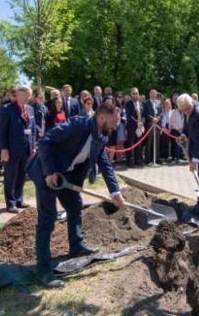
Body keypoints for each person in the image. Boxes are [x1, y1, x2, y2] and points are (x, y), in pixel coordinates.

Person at [27, 103, 126, 288]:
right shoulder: (77, 125)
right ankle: (43, 270)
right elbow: (45, 141)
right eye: (114, 122)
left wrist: (115, 192)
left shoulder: (101, 137)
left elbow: (104, 163)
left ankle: (76, 245)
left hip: (66, 174)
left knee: (74, 206)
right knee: (47, 218)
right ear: (102, 117)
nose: (115, 127)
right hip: (46, 171)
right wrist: (50, 172)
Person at [0, 85, 36, 213]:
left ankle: (19, 199)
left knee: (21, 175)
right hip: (11, 149)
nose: (29, 98)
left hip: (26, 148)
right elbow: (2, 131)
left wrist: (33, 145)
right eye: (27, 95)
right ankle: (10, 203)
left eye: (30, 95)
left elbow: (33, 129)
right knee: (10, 176)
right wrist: (3, 149)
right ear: (19, 94)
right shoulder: (7, 108)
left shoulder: (30, 109)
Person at [177, 94, 199, 213]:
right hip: (198, 141)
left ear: (192, 103)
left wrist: (194, 161)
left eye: (187, 109)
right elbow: (188, 124)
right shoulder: (189, 108)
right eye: (183, 110)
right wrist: (183, 135)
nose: (186, 112)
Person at [124, 88, 147, 168]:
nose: (135, 95)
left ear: (138, 94)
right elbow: (129, 116)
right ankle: (129, 161)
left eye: (136, 93)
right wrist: (137, 123)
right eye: (133, 93)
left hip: (140, 126)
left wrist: (142, 123)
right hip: (132, 126)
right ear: (131, 94)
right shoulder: (128, 104)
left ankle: (138, 160)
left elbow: (144, 115)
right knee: (130, 144)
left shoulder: (141, 103)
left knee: (139, 144)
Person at [143, 89, 160, 165]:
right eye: (152, 94)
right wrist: (152, 118)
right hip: (149, 124)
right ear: (149, 94)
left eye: (154, 94)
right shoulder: (146, 103)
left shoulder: (159, 103)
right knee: (149, 142)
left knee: (156, 142)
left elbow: (161, 113)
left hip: (157, 125)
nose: (153, 95)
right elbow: (145, 113)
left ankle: (156, 158)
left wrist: (158, 118)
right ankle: (148, 159)